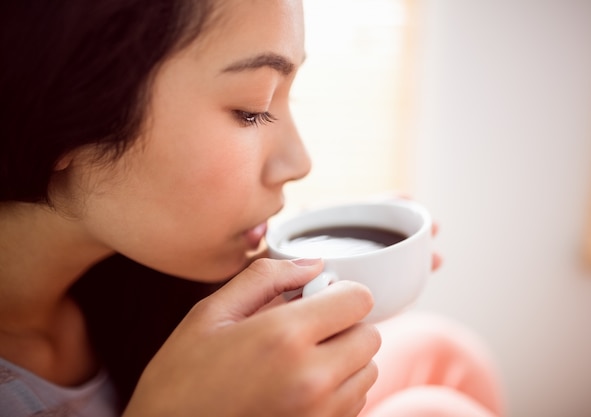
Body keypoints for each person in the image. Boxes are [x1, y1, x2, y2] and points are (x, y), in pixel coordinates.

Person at [0, 0, 504, 416]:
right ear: (59, 112)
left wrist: (332, 259)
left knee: (441, 353)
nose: (300, 162)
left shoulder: (128, 276)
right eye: (252, 108)